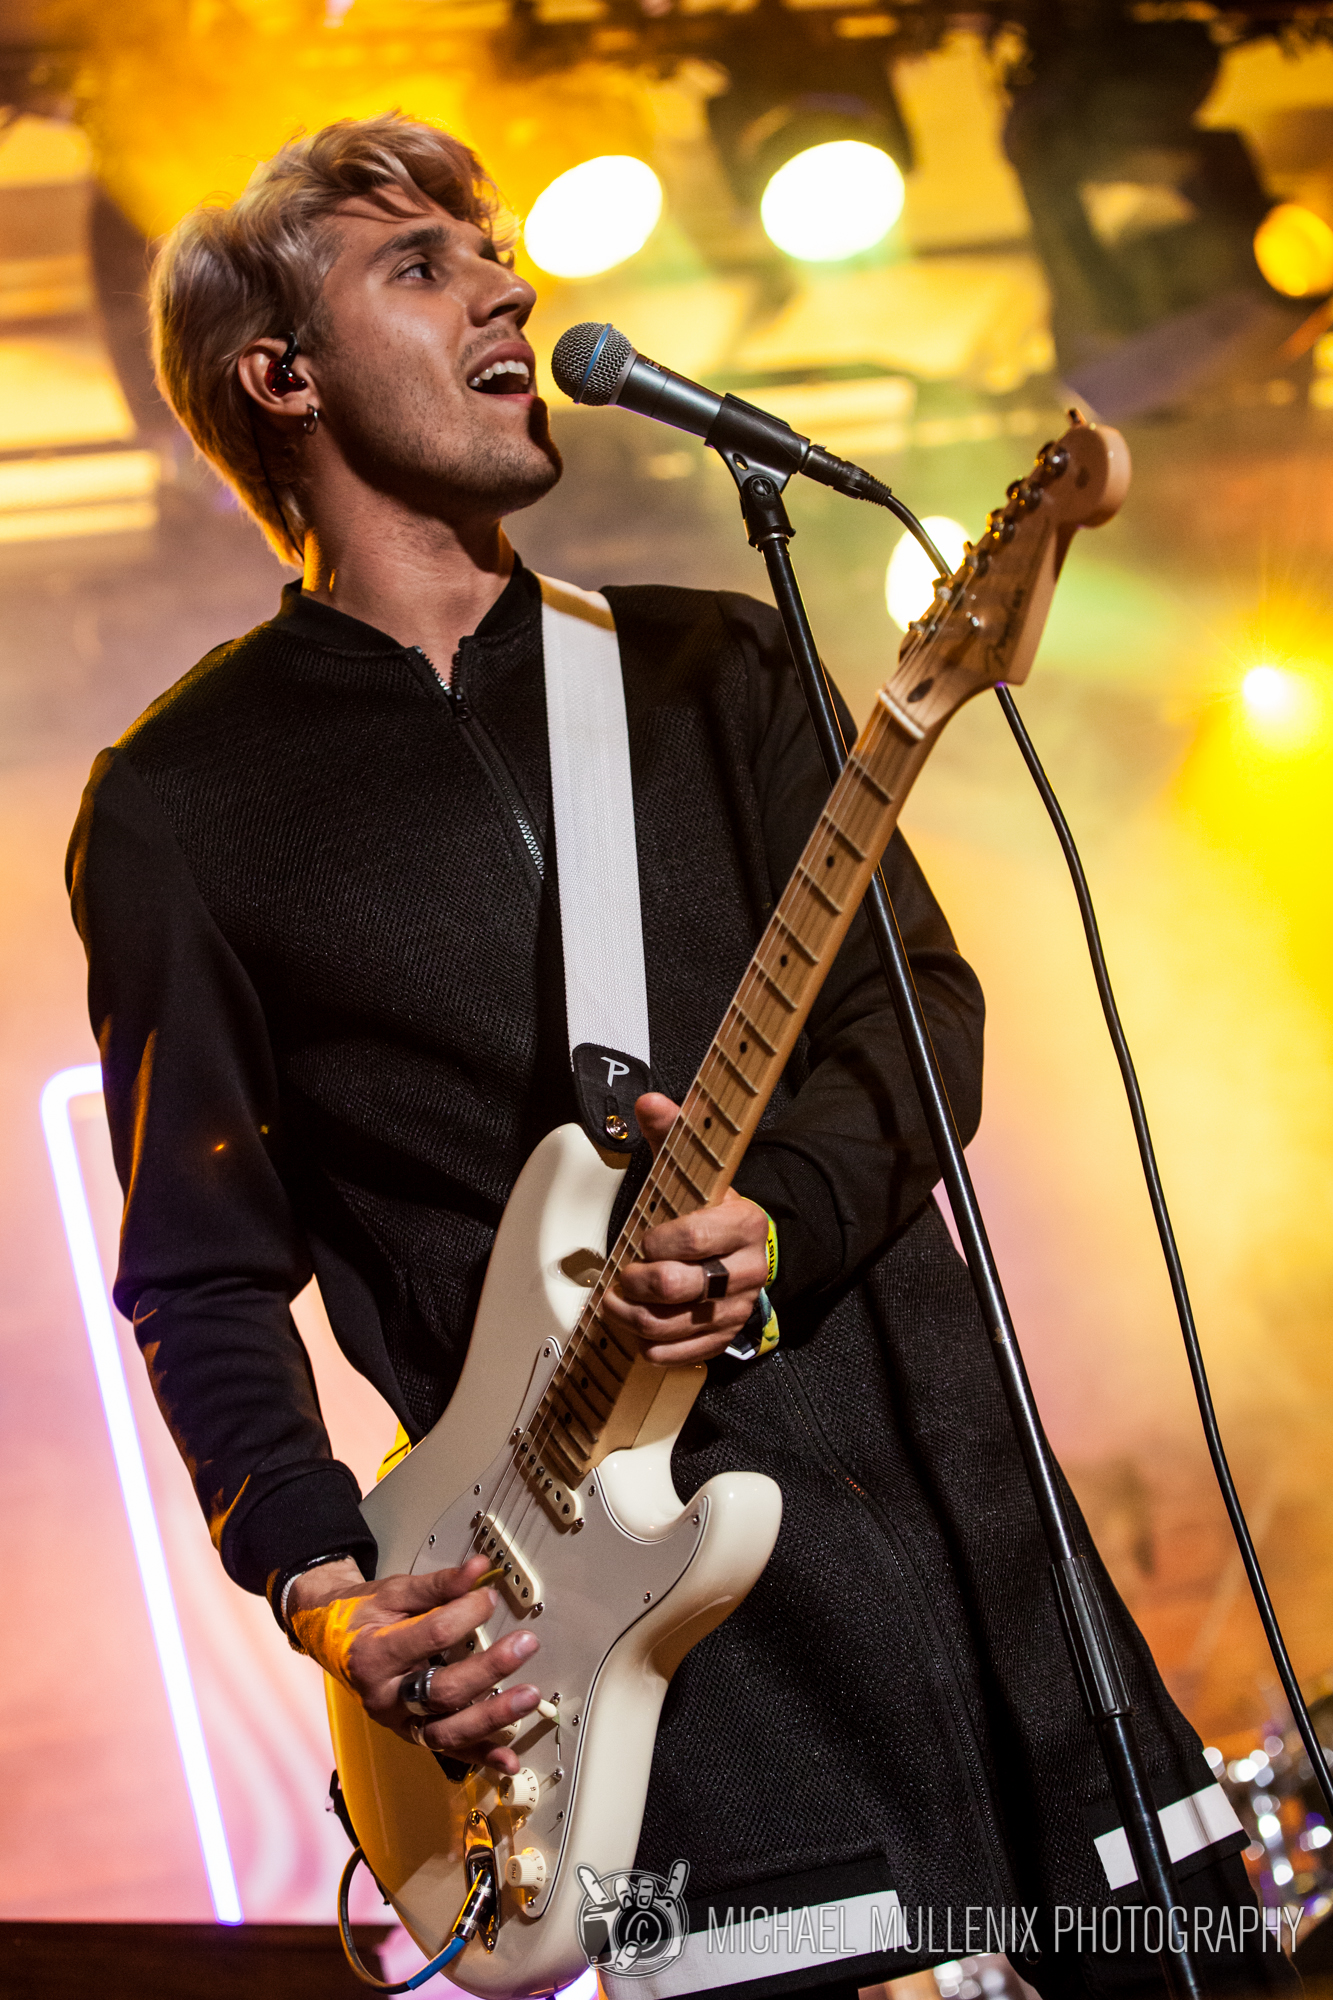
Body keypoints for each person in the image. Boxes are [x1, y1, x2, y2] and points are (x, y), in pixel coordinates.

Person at [68, 114, 1291, 2000]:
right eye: (422, 267)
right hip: (648, 1673)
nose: (506, 290)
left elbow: (914, 1013)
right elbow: (202, 1272)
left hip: (970, 1540)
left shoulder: (713, 664)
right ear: (281, 377)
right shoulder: (183, 803)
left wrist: (778, 1219)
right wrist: (326, 1582)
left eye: (497, 252)